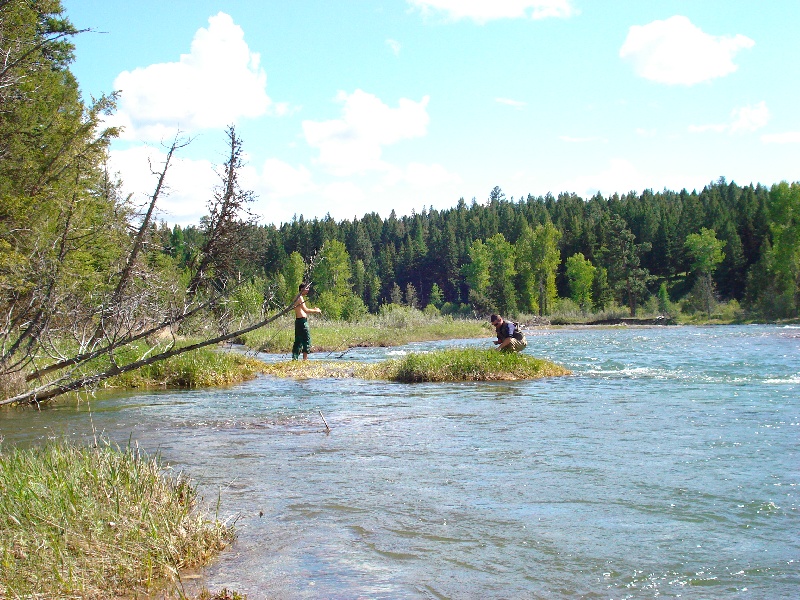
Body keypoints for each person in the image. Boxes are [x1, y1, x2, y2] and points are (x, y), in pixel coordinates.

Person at [292, 282, 322, 360]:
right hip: (302, 322)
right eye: (306, 288)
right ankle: (305, 360)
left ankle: (294, 359)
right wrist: (316, 310)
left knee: (298, 341)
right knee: (306, 340)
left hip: (298, 322)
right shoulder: (300, 298)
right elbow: (306, 310)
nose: (308, 290)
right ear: (302, 289)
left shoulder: (296, 297)